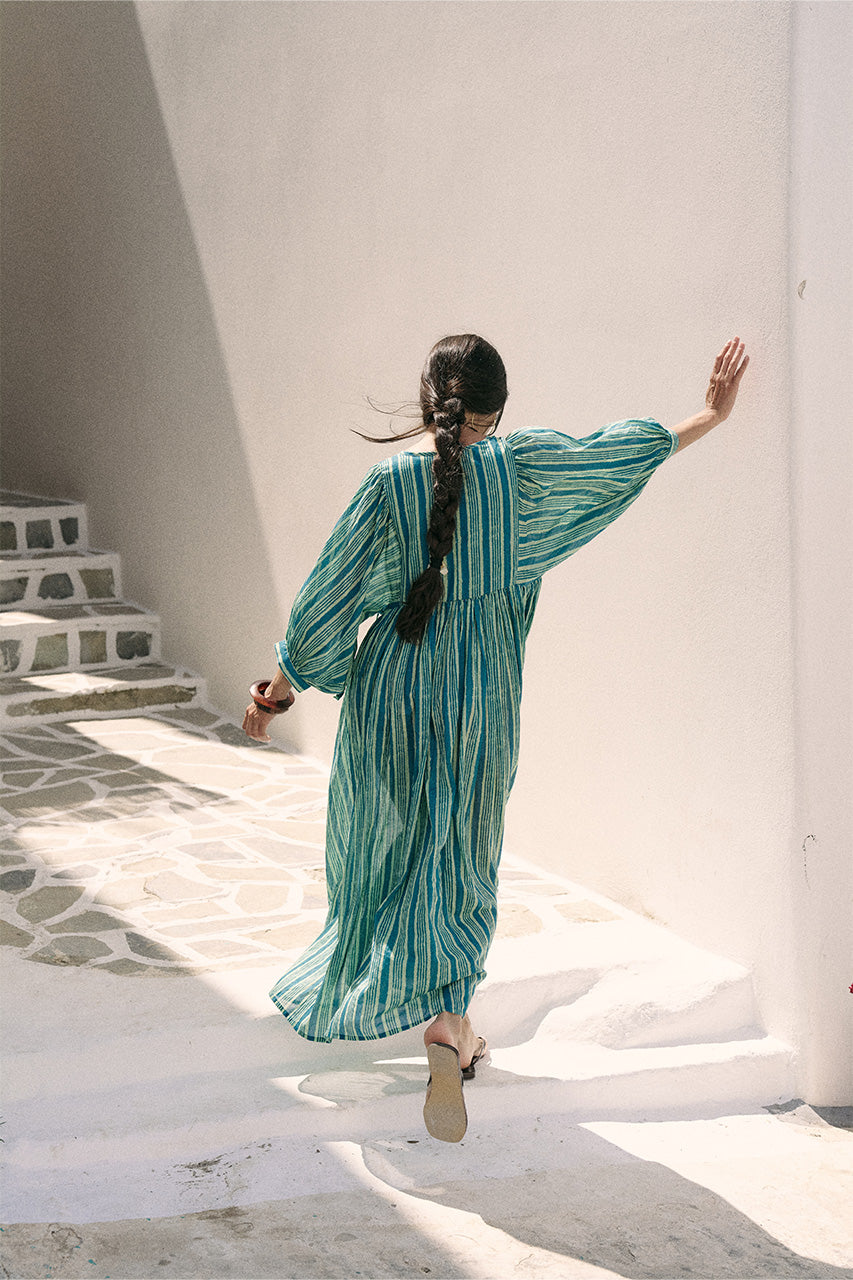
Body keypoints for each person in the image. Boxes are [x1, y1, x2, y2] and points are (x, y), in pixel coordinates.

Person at [243, 333, 749, 1142]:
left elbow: (325, 601)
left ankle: (391, 997)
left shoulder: (390, 484)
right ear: (496, 412)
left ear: (426, 405)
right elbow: (615, 455)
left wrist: (275, 693)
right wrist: (706, 417)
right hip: (482, 698)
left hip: (394, 694)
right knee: (461, 855)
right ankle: (450, 1019)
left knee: (386, 846)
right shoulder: (526, 470)